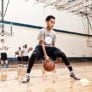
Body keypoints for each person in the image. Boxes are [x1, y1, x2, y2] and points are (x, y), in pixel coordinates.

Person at [22, 15, 80, 83]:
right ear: (47, 21)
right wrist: (46, 55)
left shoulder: (54, 33)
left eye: (54, 23)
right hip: (41, 47)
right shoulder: (42, 31)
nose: (53, 24)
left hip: (50, 48)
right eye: (51, 22)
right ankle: (27, 74)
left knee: (62, 54)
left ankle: (72, 72)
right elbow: (42, 44)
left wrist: (57, 55)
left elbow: (53, 45)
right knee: (34, 54)